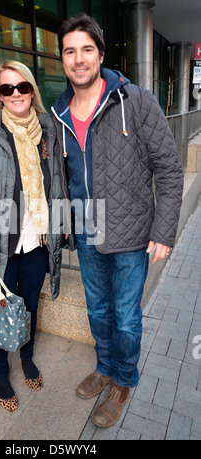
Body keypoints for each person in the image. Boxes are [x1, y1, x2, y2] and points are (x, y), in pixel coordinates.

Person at [52, 14, 184, 428]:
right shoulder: (57, 113)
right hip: (87, 230)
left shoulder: (137, 101)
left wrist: (163, 232)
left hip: (130, 232)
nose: (79, 59)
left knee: (126, 316)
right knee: (98, 311)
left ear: (101, 54)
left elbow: (169, 167)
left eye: (86, 49)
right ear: (62, 59)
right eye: (70, 51)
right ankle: (105, 367)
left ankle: (124, 381)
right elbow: (61, 174)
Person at [0, 60, 64, 412]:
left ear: (32, 89)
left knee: (31, 305)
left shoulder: (47, 130)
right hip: (0, 247)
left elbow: (57, 185)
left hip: (37, 241)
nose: (16, 94)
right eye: (7, 88)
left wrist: (61, 232)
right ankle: (0, 371)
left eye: (22, 86)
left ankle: (28, 356)